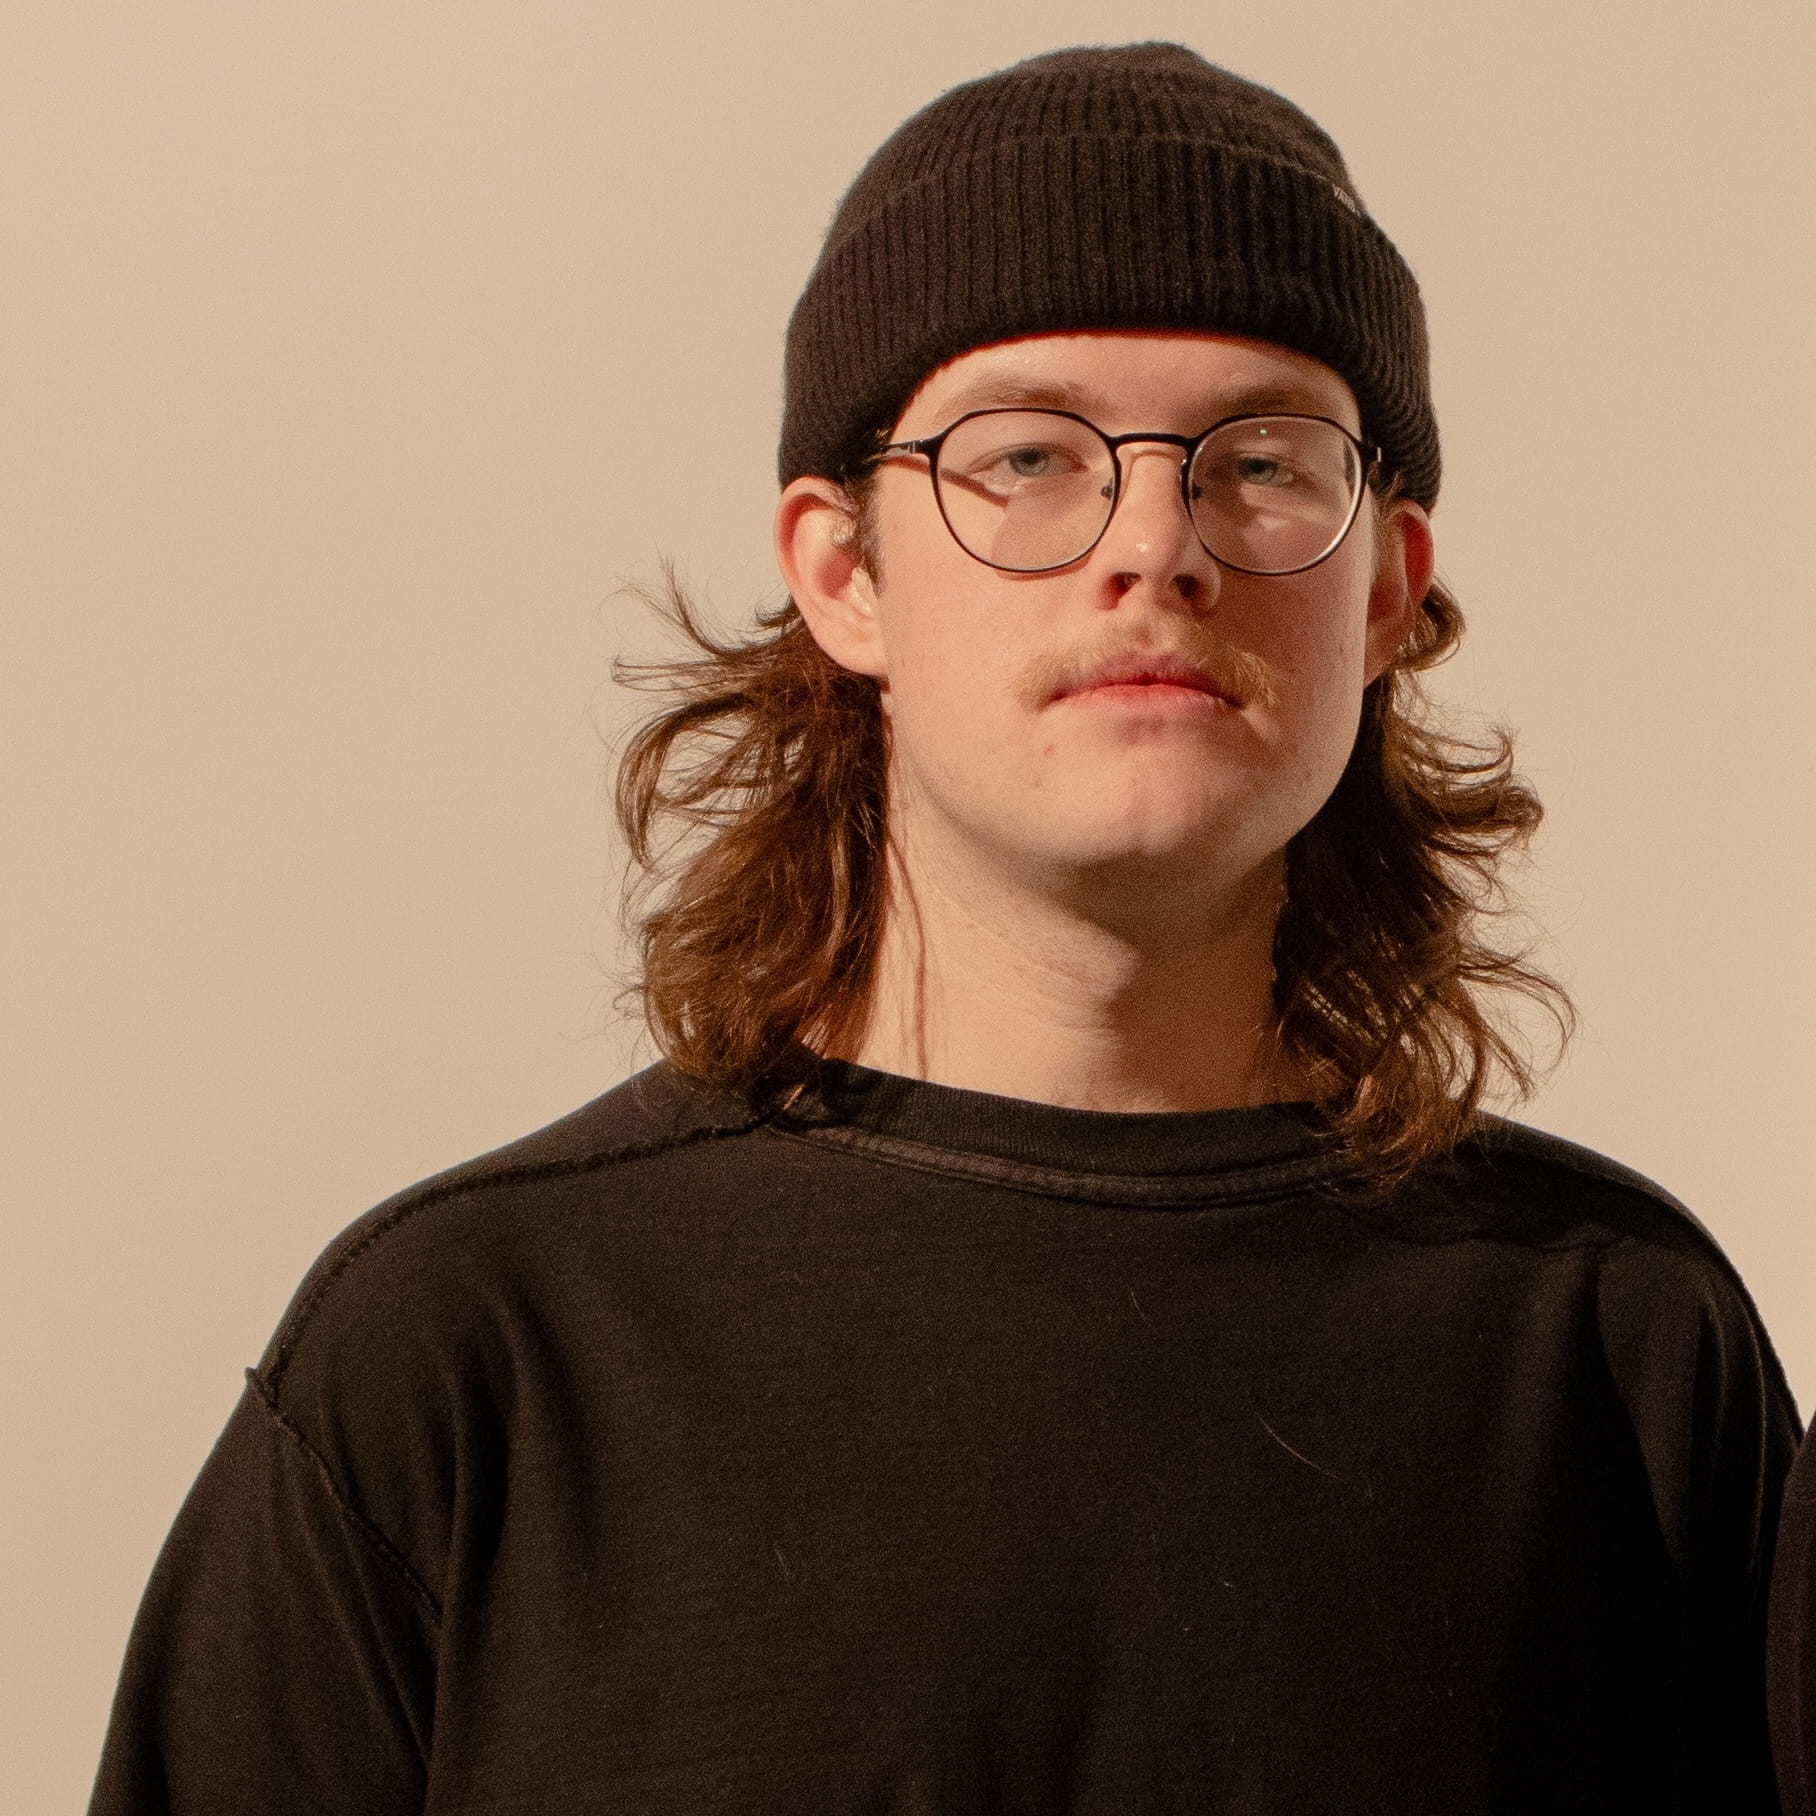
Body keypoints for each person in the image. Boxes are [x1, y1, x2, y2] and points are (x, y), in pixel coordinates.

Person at [90, 43, 1796, 1814]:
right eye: (1031, 457)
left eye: (1263, 462)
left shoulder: (1616, 1351)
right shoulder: (467, 1359)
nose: (1157, 539)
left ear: (1383, 588)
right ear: (843, 573)